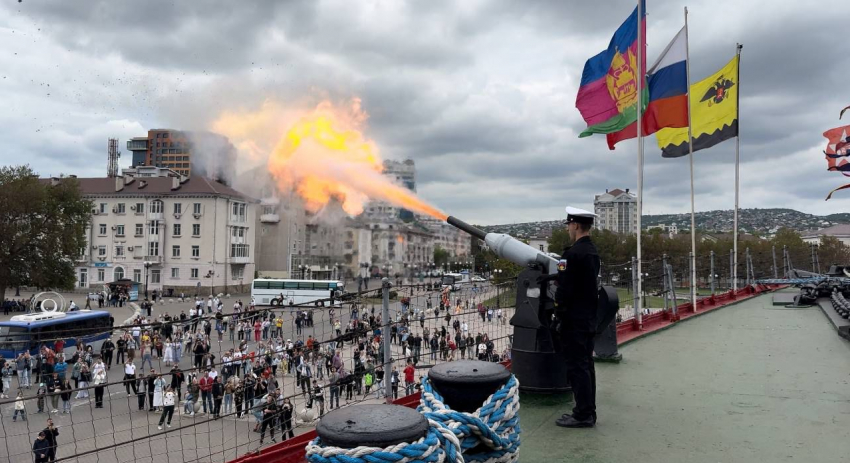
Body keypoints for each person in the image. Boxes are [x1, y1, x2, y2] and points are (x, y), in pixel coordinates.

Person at [550, 206, 601, 429]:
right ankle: (588, 410)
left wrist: (558, 313)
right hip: (589, 317)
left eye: (569, 224)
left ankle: (582, 414)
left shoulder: (569, 255)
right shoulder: (591, 252)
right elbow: (581, 281)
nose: (569, 228)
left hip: (573, 319)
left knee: (576, 367)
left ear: (576, 225)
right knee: (586, 365)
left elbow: (564, 287)